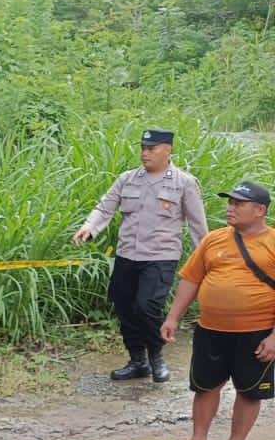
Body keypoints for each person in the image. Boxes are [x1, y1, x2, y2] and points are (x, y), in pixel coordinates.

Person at [73, 129, 208, 383]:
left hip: (160, 257)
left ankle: (156, 356)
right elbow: (105, 207)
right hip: (127, 255)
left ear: (167, 150)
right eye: (143, 148)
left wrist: (206, 260)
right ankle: (137, 361)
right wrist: (89, 227)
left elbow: (197, 224)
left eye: (152, 148)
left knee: (146, 306)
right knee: (125, 308)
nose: (145, 153)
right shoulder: (127, 179)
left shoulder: (184, 183)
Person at [160, 181, 275, 440]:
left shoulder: (272, 243)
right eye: (230, 202)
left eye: (239, 204)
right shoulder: (213, 240)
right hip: (210, 329)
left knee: (249, 390)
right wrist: (172, 317)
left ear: (260, 210)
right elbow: (191, 279)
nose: (230, 208)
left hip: (257, 332)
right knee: (205, 385)